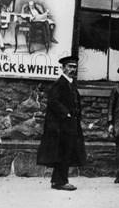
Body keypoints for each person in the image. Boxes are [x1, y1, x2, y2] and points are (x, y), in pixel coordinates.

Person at [37, 56, 86, 191]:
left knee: (65, 152)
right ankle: (62, 181)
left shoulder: (70, 84)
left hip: (70, 124)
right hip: (62, 125)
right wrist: (66, 113)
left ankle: (56, 181)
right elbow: (53, 102)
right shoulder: (59, 83)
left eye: (74, 67)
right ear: (63, 68)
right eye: (69, 67)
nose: (72, 69)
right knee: (64, 152)